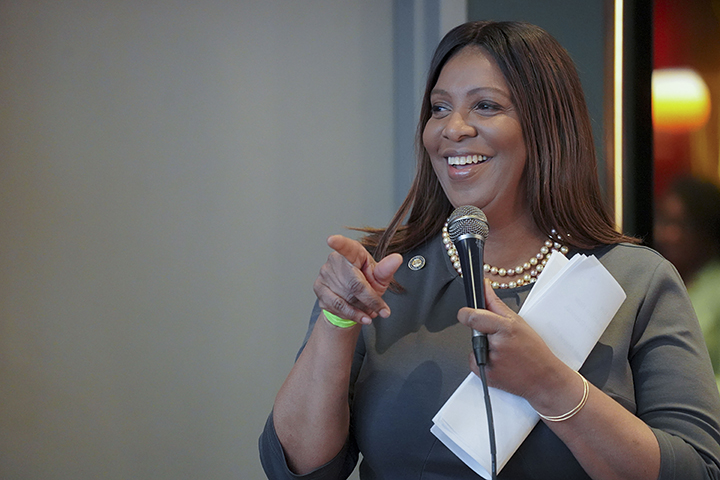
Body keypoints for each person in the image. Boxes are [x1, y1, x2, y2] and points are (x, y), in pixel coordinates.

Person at [259, 21, 720, 479]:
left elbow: (697, 471)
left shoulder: (635, 281)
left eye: (485, 105)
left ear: (546, 126)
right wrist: (337, 321)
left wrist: (549, 384)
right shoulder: (379, 275)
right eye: (439, 108)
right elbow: (295, 470)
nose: (453, 128)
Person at [654, 176, 720, 391]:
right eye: (664, 221)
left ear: (707, 229)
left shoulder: (715, 287)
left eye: (682, 224)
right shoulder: (661, 281)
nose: (668, 235)